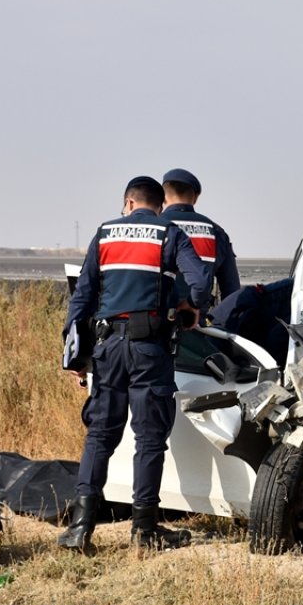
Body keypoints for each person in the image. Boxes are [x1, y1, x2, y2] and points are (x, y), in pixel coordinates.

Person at [59, 176, 215, 552]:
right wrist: (189, 307)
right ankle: (144, 530)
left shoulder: (105, 234)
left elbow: (82, 296)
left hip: (107, 347)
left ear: (127, 203)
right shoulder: (169, 233)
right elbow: (200, 283)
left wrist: (75, 358)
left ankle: (81, 528)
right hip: (149, 349)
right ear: (159, 205)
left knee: (100, 435)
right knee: (148, 440)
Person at [160, 167, 241, 303]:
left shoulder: (155, 226)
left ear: (163, 196)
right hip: (197, 319)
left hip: (154, 319)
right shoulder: (216, 232)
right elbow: (231, 291)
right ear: (196, 197)